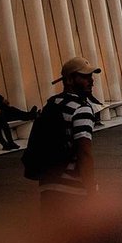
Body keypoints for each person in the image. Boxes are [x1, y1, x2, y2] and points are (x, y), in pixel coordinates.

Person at [40, 56, 101, 212]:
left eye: (91, 76)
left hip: (48, 183)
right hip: (73, 189)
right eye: (85, 77)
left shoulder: (52, 103)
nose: (91, 81)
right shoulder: (82, 109)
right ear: (69, 80)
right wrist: (91, 189)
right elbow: (84, 152)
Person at [0, 77, 38, 150]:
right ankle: (5, 144)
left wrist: (4, 104)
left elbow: (5, 102)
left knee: (6, 123)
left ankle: (11, 142)